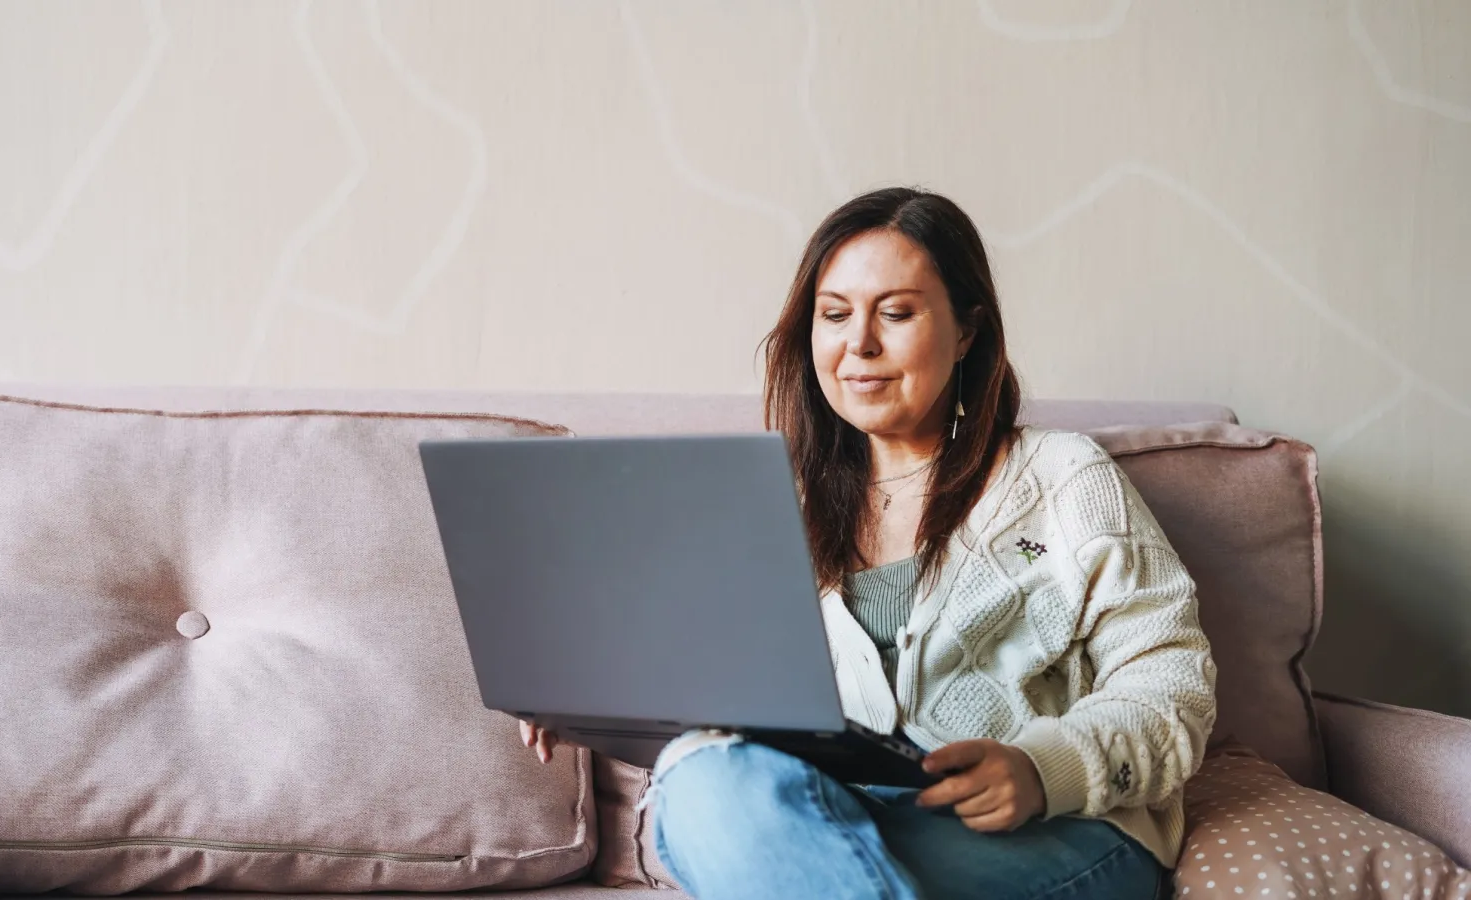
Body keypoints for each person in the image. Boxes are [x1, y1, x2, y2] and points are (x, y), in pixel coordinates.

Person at [521, 187, 1216, 900]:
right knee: (701, 784)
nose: (860, 344)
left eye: (896, 312)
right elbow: (729, 701)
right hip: (828, 825)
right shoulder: (773, 505)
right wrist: (605, 702)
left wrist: (1043, 771)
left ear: (967, 330)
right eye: (834, 315)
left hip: (1051, 837)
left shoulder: (1064, 477)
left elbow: (1173, 688)